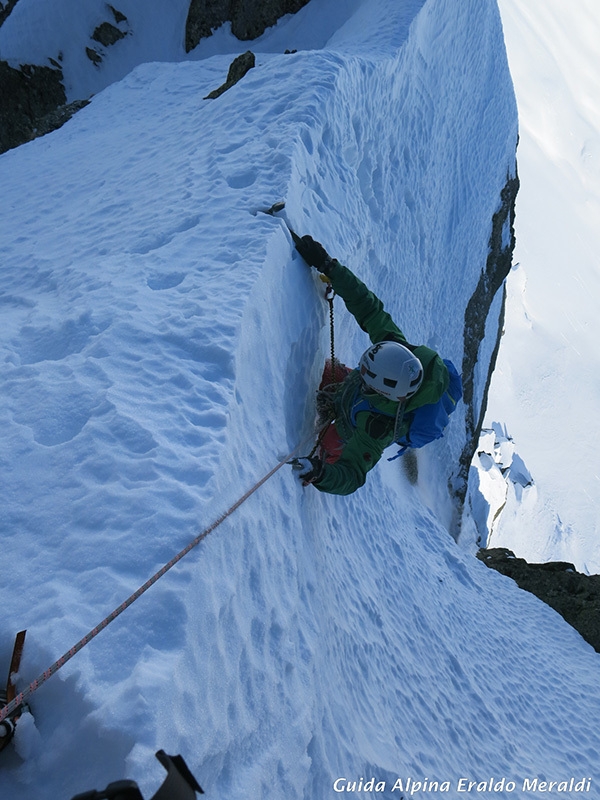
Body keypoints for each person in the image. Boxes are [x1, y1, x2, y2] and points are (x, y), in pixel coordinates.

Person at [290, 235, 455, 496]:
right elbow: (368, 308)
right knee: (326, 372)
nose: (360, 371)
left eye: (366, 376)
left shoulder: (376, 428)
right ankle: (335, 401)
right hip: (354, 395)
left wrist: (321, 473)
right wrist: (329, 267)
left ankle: (325, 456)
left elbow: (353, 474)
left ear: (382, 390)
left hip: (351, 425)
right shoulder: (395, 350)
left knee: (330, 443)